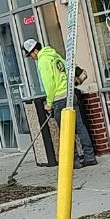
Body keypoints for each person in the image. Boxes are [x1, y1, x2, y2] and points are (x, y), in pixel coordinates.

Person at [22, 39, 97, 169]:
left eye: (30, 55)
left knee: (65, 130)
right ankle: (90, 156)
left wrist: (49, 103)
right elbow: (68, 69)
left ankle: (73, 160)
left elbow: (49, 84)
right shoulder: (54, 54)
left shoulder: (43, 61)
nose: (31, 58)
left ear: (35, 50)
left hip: (59, 98)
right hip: (69, 93)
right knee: (79, 126)